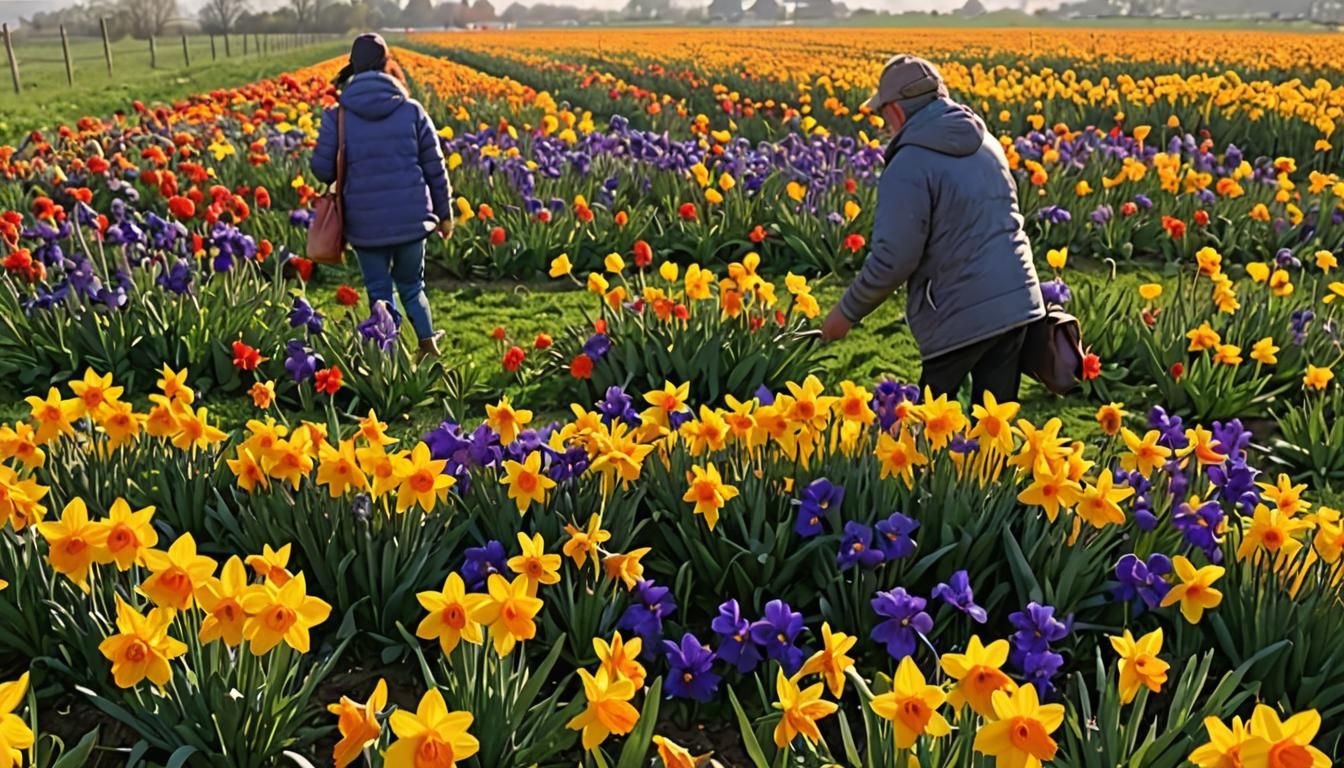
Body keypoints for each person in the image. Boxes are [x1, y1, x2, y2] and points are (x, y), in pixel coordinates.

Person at [821, 55, 1045, 405]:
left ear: (895, 110)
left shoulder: (909, 163)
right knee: (993, 426)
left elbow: (894, 258)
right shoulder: (989, 144)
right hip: (1018, 299)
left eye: (883, 115)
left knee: (929, 427)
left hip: (958, 311)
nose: (884, 125)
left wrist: (845, 314)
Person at [311, 33, 452, 359]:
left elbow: (322, 170)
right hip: (412, 220)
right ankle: (427, 346)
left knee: (378, 290)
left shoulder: (339, 115)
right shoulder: (412, 111)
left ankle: (388, 360)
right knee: (412, 287)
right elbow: (436, 168)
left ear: (353, 66)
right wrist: (444, 215)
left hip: (364, 223)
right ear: (388, 64)